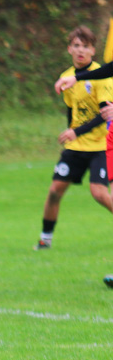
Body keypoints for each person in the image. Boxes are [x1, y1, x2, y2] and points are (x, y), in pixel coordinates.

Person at [35, 26, 113, 251]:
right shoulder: (66, 77)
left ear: (93, 50)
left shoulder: (102, 76)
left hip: (100, 145)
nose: (81, 51)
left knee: (99, 193)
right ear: (69, 49)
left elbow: (104, 114)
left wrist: (75, 131)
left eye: (86, 47)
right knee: (54, 190)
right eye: (76, 46)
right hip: (76, 146)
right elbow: (72, 110)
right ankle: (44, 239)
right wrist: (72, 132)